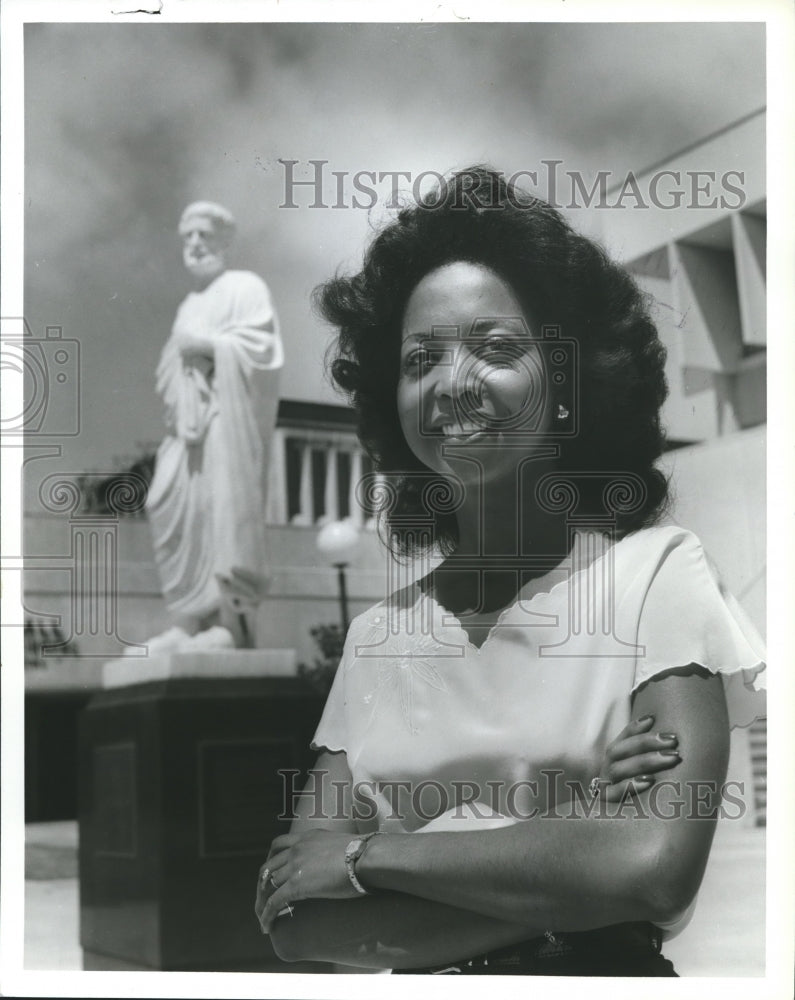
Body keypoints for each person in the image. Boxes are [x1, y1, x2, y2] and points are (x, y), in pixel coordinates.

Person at [254, 167, 766, 975]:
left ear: (563, 383)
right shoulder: (377, 638)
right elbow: (294, 919)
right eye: (420, 357)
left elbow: (653, 871)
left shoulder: (656, 578)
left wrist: (369, 857)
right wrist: (569, 856)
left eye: (493, 348)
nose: (452, 382)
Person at [144, 201, 283, 650]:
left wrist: (207, 345)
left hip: (225, 419)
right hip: (187, 427)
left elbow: (262, 352)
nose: (195, 244)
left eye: (204, 235)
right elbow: (173, 367)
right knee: (167, 502)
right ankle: (187, 621)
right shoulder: (188, 304)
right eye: (188, 237)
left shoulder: (244, 287)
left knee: (223, 509)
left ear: (224, 242)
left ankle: (230, 623)